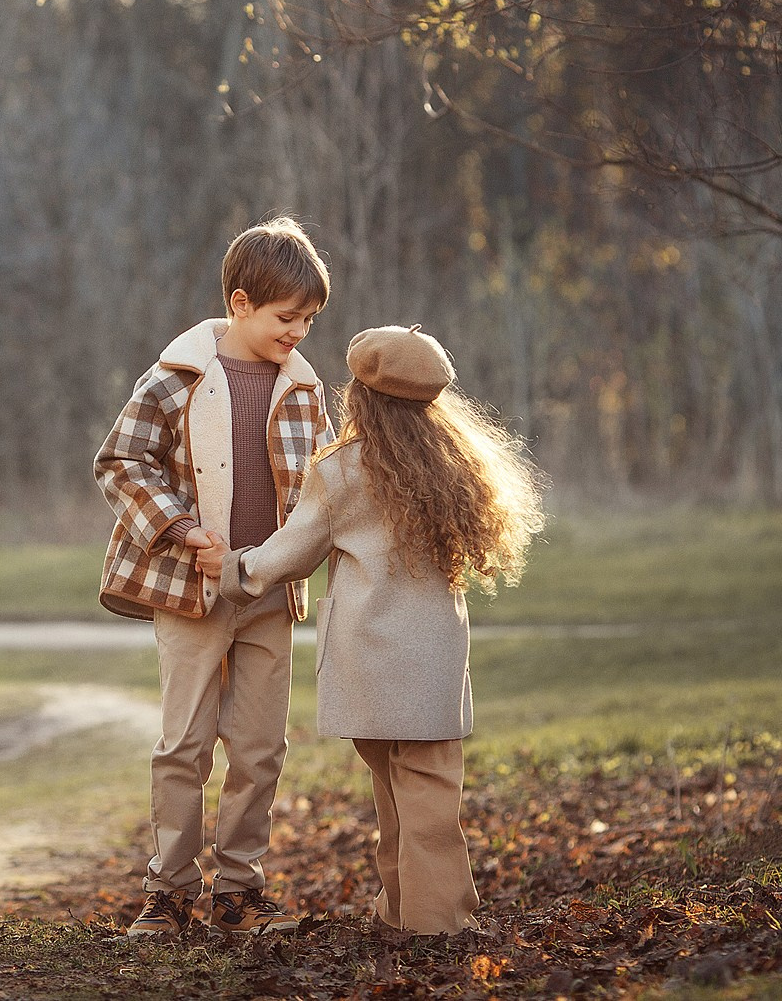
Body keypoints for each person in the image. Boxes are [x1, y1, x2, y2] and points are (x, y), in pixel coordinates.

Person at [196, 325, 546, 934]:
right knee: (429, 797)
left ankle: (406, 913)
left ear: (361, 395)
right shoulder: (458, 467)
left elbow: (291, 553)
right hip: (430, 661)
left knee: (393, 793)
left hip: (366, 662)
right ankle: (436, 923)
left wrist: (233, 568)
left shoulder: (342, 470)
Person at [94, 217, 332, 938]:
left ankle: (239, 891)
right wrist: (181, 529)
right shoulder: (177, 379)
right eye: (287, 317)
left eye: (310, 320)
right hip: (190, 589)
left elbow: (325, 488)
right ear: (240, 303)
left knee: (260, 749)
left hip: (268, 592)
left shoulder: (305, 390)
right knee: (185, 746)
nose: (299, 332)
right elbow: (121, 462)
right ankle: (168, 891)